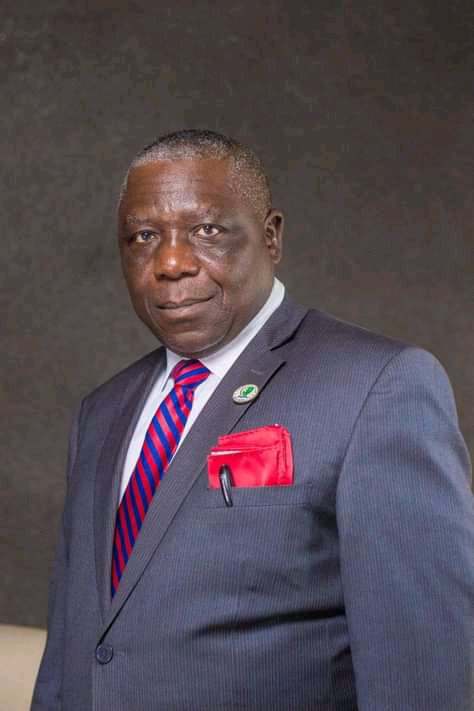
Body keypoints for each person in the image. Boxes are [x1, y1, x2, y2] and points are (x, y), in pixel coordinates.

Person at [32, 129, 473, 711]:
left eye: (206, 231)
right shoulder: (101, 412)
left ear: (271, 236)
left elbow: (422, 669)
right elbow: (72, 650)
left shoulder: (375, 386)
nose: (170, 262)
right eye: (144, 236)